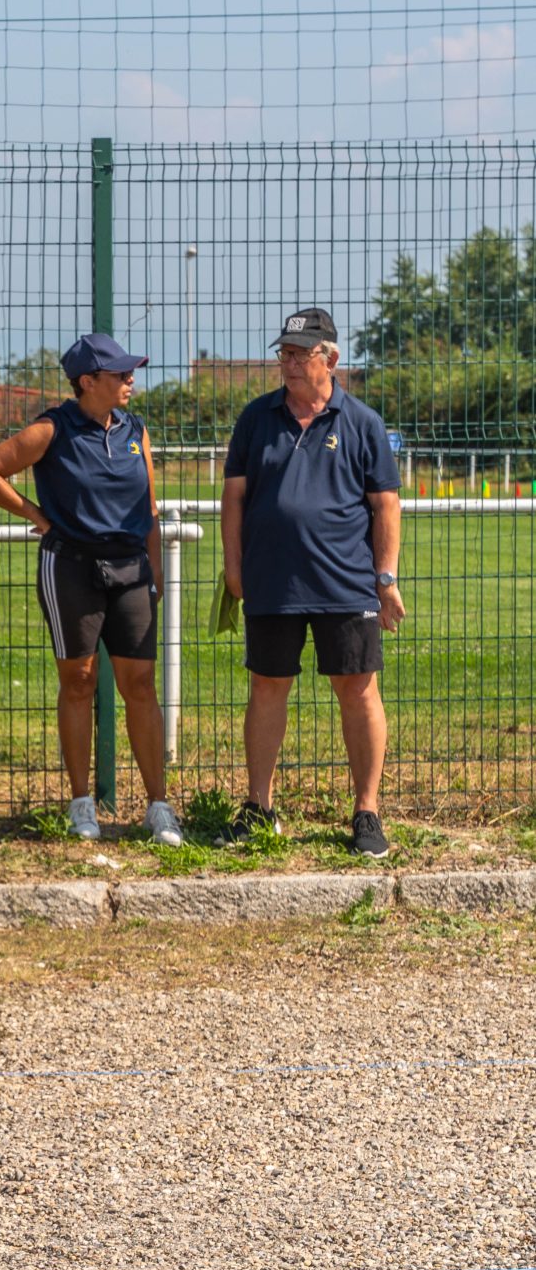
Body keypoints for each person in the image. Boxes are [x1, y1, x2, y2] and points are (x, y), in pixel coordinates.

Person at [0, 332, 183, 846]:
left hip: (131, 570)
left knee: (141, 686)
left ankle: (159, 807)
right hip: (70, 568)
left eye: (131, 372)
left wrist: (151, 574)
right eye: (120, 374)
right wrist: (36, 517)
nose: (131, 380)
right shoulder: (52, 428)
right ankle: (82, 803)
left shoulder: (136, 430)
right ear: (88, 382)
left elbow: (148, 508)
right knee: (79, 682)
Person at [221, 307, 404, 858]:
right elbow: (234, 497)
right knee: (267, 688)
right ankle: (259, 808)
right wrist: (235, 566)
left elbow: (385, 505)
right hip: (272, 581)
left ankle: (367, 812)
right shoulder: (256, 419)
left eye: (301, 354)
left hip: (346, 583)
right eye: (285, 354)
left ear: (331, 359)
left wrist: (385, 576)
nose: (289, 364)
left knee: (358, 691)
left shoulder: (363, 422)